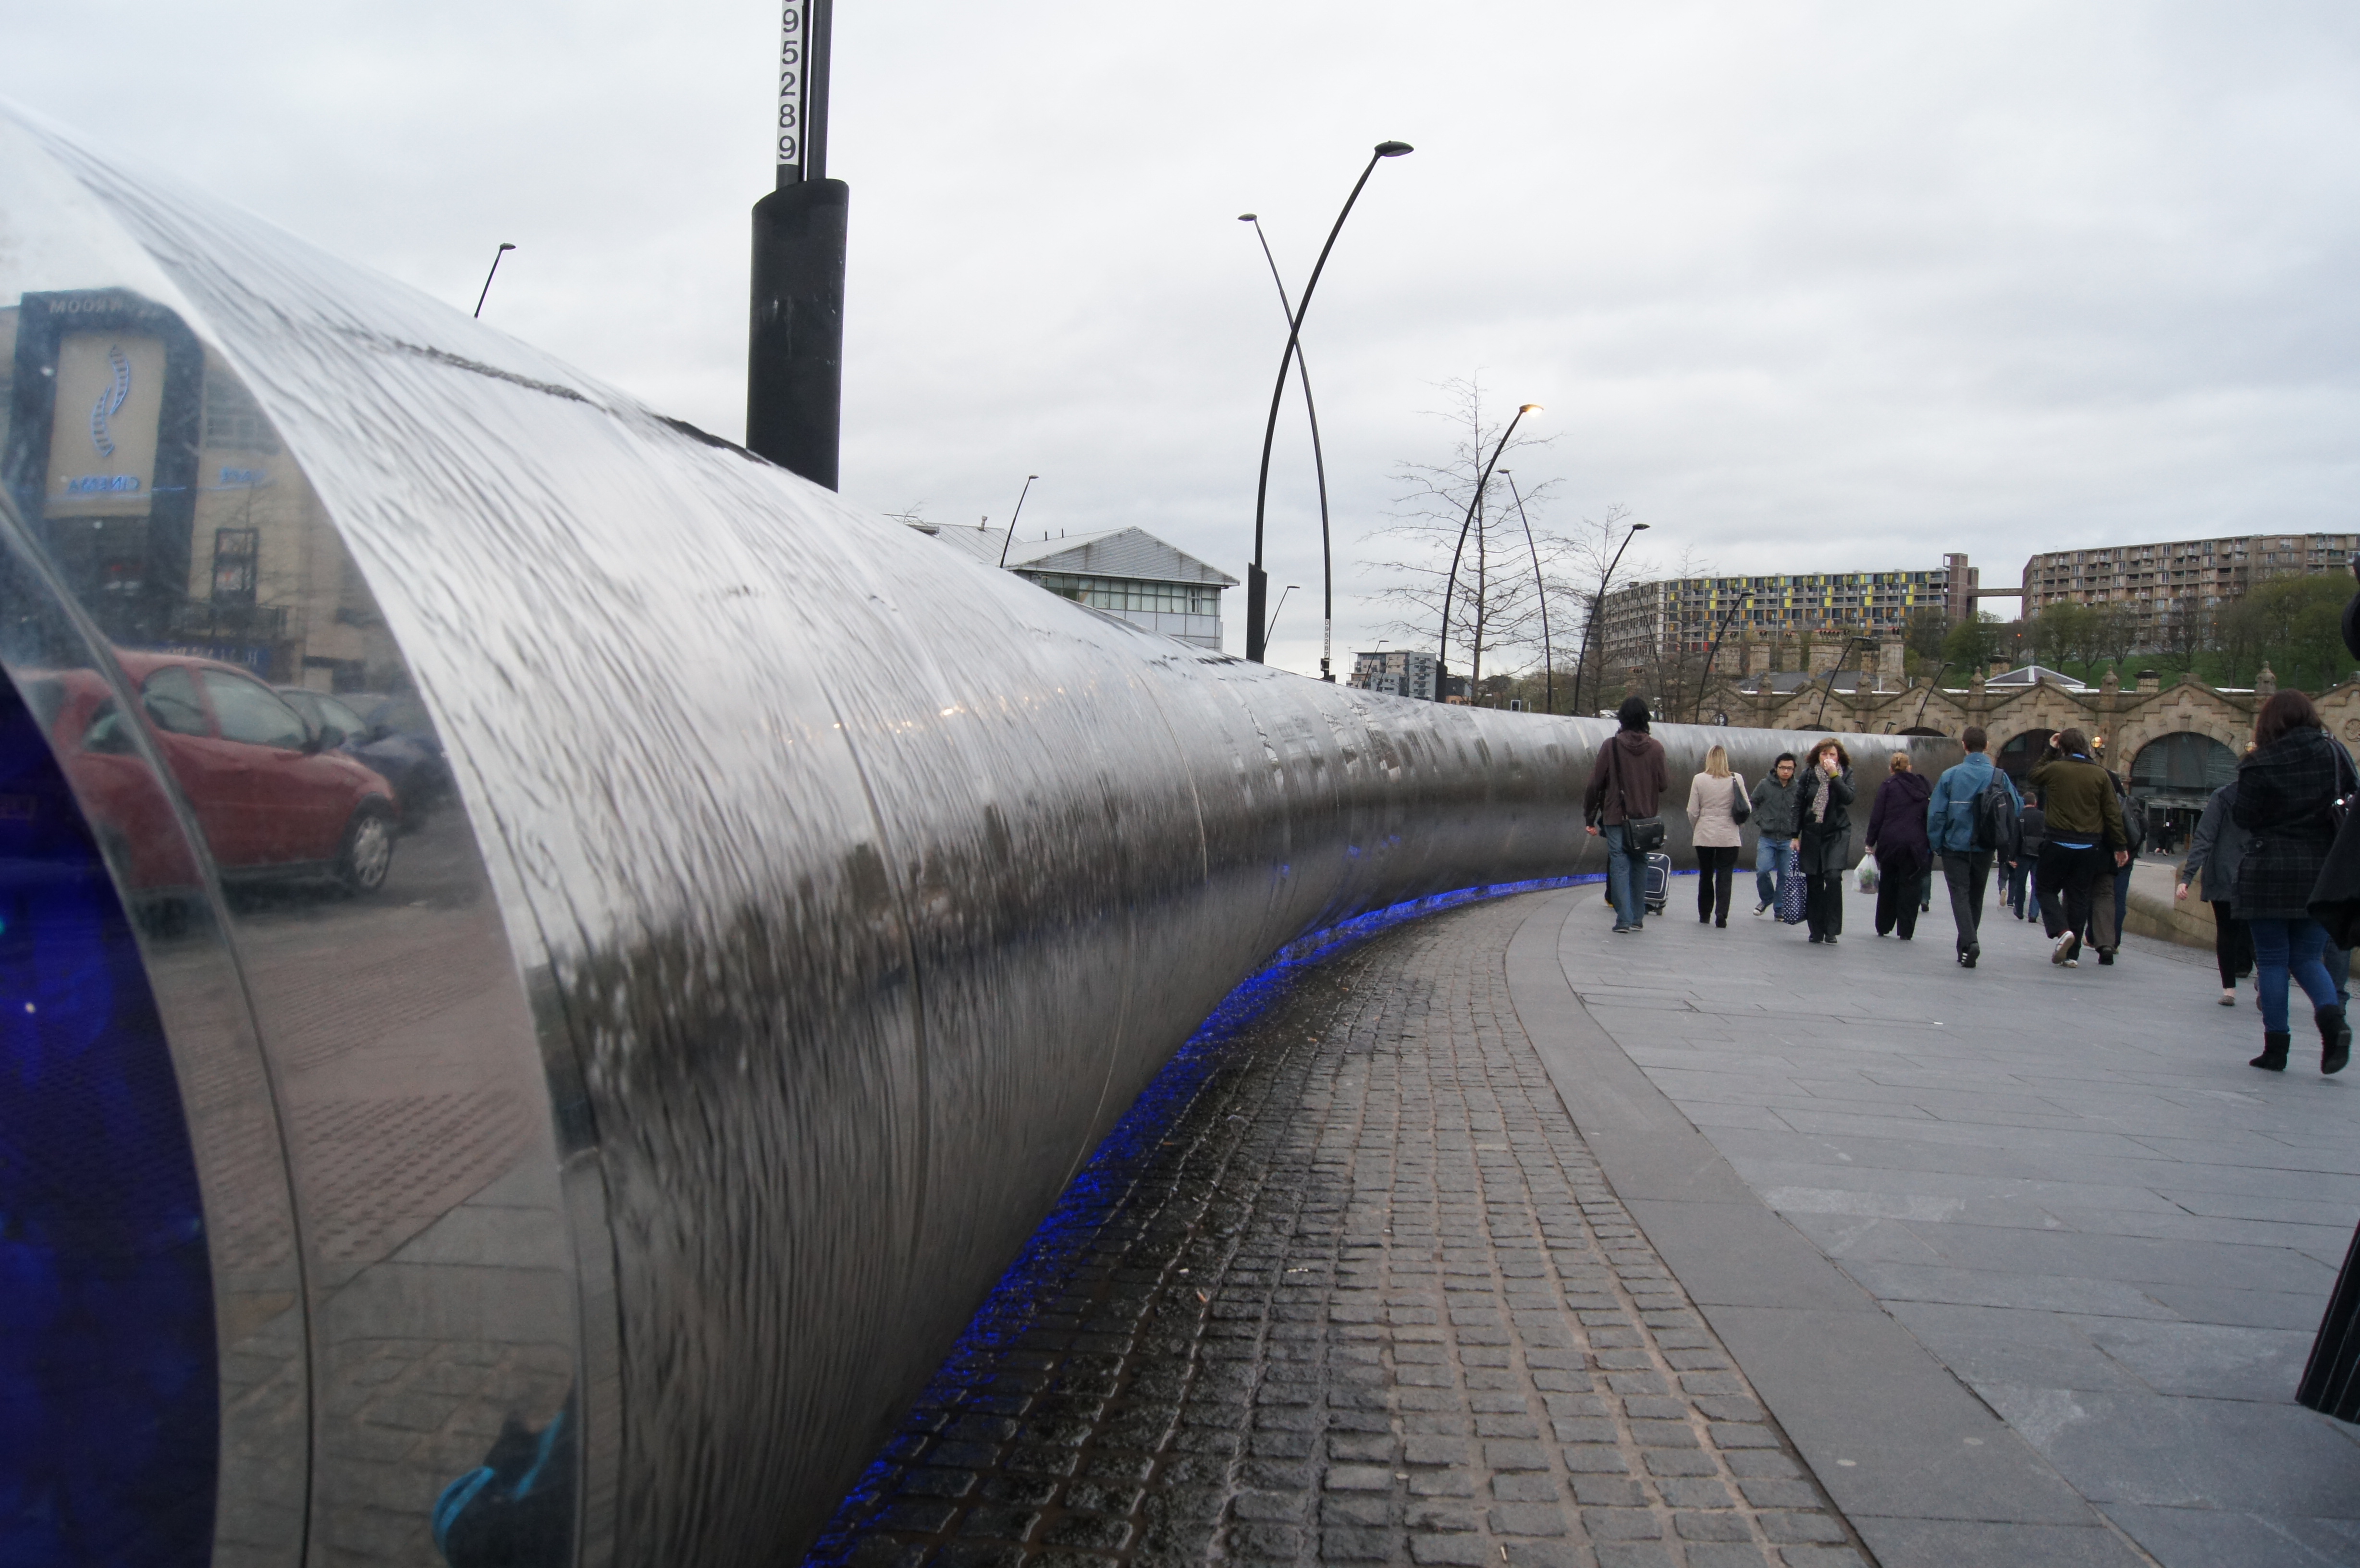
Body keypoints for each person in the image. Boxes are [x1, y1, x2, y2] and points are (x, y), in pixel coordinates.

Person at [2232, 690, 2351, 1073]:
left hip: (2269, 866)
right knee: (2308, 956)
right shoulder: (2333, 753)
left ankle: (2276, 1048)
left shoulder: (2259, 762)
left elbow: (2243, 816)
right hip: (2321, 869)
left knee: (2272, 959)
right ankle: (2333, 1023)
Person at [2028, 728, 2129, 968]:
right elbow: (2112, 813)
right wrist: (2120, 845)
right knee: (2079, 898)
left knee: (2045, 889)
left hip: (2057, 841)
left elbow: (2033, 776)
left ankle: (2062, 931)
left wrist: (2050, 750)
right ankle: (2072, 956)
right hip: (2089, 847)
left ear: (2063, 747)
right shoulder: (2100, 774)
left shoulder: (2055, 769)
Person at [1926, 725, 2020, 968]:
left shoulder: (1950, 776)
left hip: (1955, 845)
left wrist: (1937, 843)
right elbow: (2017, 807)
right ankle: (1965, 949)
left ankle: (1970, 943)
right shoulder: (2000, 777)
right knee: (1976, 897)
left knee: (1960, 895)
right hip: (1985, 847)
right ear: (1987, 746)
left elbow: (1936, 814)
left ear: (1964, 745)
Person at [1584, 695, 1670, 935]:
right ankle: (1637, 918)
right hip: (1644, 818)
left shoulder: (1611, 746)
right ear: (1645, 719)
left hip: (1616, 815)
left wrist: (1589, 817)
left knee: (1619, 863)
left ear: (1622, 718)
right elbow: (1664, 784)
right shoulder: (1656, 748)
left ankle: (1623, 919)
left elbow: (1595, 784)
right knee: (1640, 862)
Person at [2176, 777, 2252, 1007]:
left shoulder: (2223, 796)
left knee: (2227, 932)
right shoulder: (2271, 796)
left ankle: (2229, 990)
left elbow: (2205, 836)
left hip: (2224, 874)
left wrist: (2188, 876)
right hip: (2255, 873)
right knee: (2258, 931)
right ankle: (2268, 982)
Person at [1793, 737, 1856, 945]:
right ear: (1817, 756)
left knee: (1834, 877)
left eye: (1832, 754)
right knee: (1815, 881)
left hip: (1837, 832)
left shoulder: (1846, 773)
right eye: (1824, 754)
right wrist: (1795, 835)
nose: (1828, 758)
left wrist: (1834, 775)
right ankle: (1816, 929)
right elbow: (1799, 805)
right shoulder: (1808, 775)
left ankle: (1832, 929)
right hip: (1813, 832)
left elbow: (1848, 798)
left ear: (1839, 757)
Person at [1865, 751, 1933, 940]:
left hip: (1890, 842)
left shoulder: (1888, 786)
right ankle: (1906, 930)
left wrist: (1871, 841)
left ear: (1891, 769)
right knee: (1911, 885)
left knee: (1888, 883)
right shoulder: (1923, 786)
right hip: (1915, 844)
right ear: (1909, 767)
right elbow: (1929, 815)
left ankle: (1884, 925)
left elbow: (1877, 816)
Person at [1685, 744, 1747, 928]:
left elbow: (1692, 810)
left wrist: (1697, 827)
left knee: (1706, 874)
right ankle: (1722, 913)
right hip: (1729, 833)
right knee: (1725, 874)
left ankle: (1705, 914)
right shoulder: (1736, 778)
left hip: (1705, 832)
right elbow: (1747, 807)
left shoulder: (1699, 779)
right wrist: (1738, 824)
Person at [1750, 753, 1801, 915]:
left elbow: (1803, 809)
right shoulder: (1765, 784)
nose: (1786, 771)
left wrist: (1798, 830)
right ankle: (1767, 898)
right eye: (1782, 768)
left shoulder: (1798, 788)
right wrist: (1760, 821)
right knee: (1762, 870)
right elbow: (1753, 803)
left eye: (1789, 769)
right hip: (1768, 837)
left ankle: (1780, 909)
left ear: (1794, 770)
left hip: (1788, 838)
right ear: (1776, 768)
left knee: (1785, 874)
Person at [2008, 789, 2046, 919]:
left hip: (2023, 854)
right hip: (2039, 854)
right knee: (2037, 884)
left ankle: (2019, 910)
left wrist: (2011, 857)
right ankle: (2034, 913)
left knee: (2020, 884)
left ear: (2024, 803)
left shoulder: (2020, 817)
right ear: (2035, 803)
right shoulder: (2043, 816)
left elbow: (2015, 839)